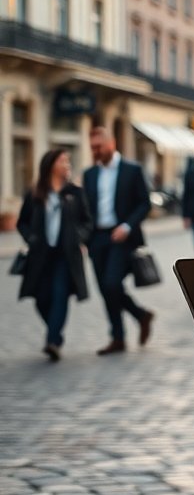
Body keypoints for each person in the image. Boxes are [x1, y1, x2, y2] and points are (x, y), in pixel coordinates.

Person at [84, 126, 154, 355]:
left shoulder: (131, 170)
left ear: (111, 144)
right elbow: (86, 208)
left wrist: (127, 226)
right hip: (97, 238)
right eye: (92, 147)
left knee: (112, 284)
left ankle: (135, 319)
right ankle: (121, 334)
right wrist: (85, 237)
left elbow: (144, 203)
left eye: (99, 146)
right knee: (105, 289)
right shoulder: (90, 174)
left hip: (123, 237)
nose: (95, 151)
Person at [17, 149, 92, 361]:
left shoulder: (75, 192)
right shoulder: (35, 193)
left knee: (60, 295)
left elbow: (87, 221)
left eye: (68, 161)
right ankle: (55, 334)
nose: (67, 164)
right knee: (41, 299)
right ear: (51, 165)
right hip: (41, 255)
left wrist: (80, 238)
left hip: (65, 255)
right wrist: (30, 238)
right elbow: (22, 222)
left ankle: (51, 341)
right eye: (63, 161)